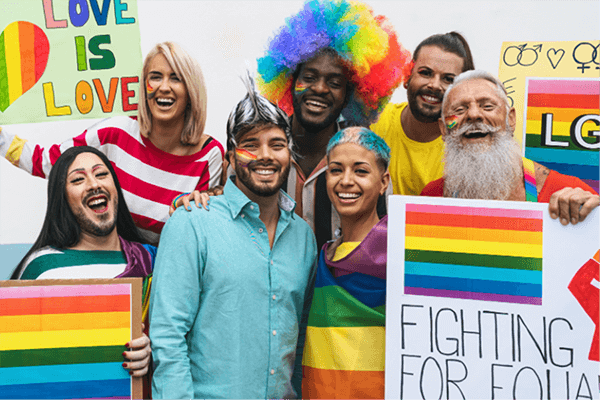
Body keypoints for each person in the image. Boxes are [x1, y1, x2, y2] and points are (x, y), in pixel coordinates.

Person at [178, 0, 409, 250]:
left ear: (350, 94)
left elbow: (385, 241)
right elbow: (228, 211)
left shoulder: (365, 159)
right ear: (289, 82)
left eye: (334, 82)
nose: (319, 88)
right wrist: (205, 199)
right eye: (308, 78)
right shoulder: (258, 154)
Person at [149, 73, 317, 399]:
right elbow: (168, 337)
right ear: (229, 157)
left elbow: (300, 341)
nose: (265, 155)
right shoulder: (192, 224)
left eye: (277, 144)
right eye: (251, 145)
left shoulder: (303, 238)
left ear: (289, 155)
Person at [0, 42, 224, 244]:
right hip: (112, 271)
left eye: (176, 78)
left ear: (192, 91)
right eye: (155, 77)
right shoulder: (116, 133)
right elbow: (48, 162)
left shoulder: (210, 155)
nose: (163, 87)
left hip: (168, 275)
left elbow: (199, 233)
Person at [11, 146, 154, 380]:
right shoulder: (42, 268)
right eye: (78, 179)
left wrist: (152, 354)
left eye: (101, 174)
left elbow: (182, 344)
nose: (93, 184)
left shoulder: (150, 261)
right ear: (63, 198)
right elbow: (17, 358)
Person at [421, 70, 599, 225]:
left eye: (488, 106)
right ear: (444, 129)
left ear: (511, 119)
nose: (474, 115)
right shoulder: (430, 199)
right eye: (459, 110)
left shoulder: (567, 194)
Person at [302, 127, 390, 399]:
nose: (346, 181)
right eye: (336, 170)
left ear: (383, 181)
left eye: (361, 171)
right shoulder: (324, 253)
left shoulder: (398, 249)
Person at [370, 32, 474, 195]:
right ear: (407, 77)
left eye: (448, 79)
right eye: (426, 73)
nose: (434, 85)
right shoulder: (373, 121)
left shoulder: (467, 145)